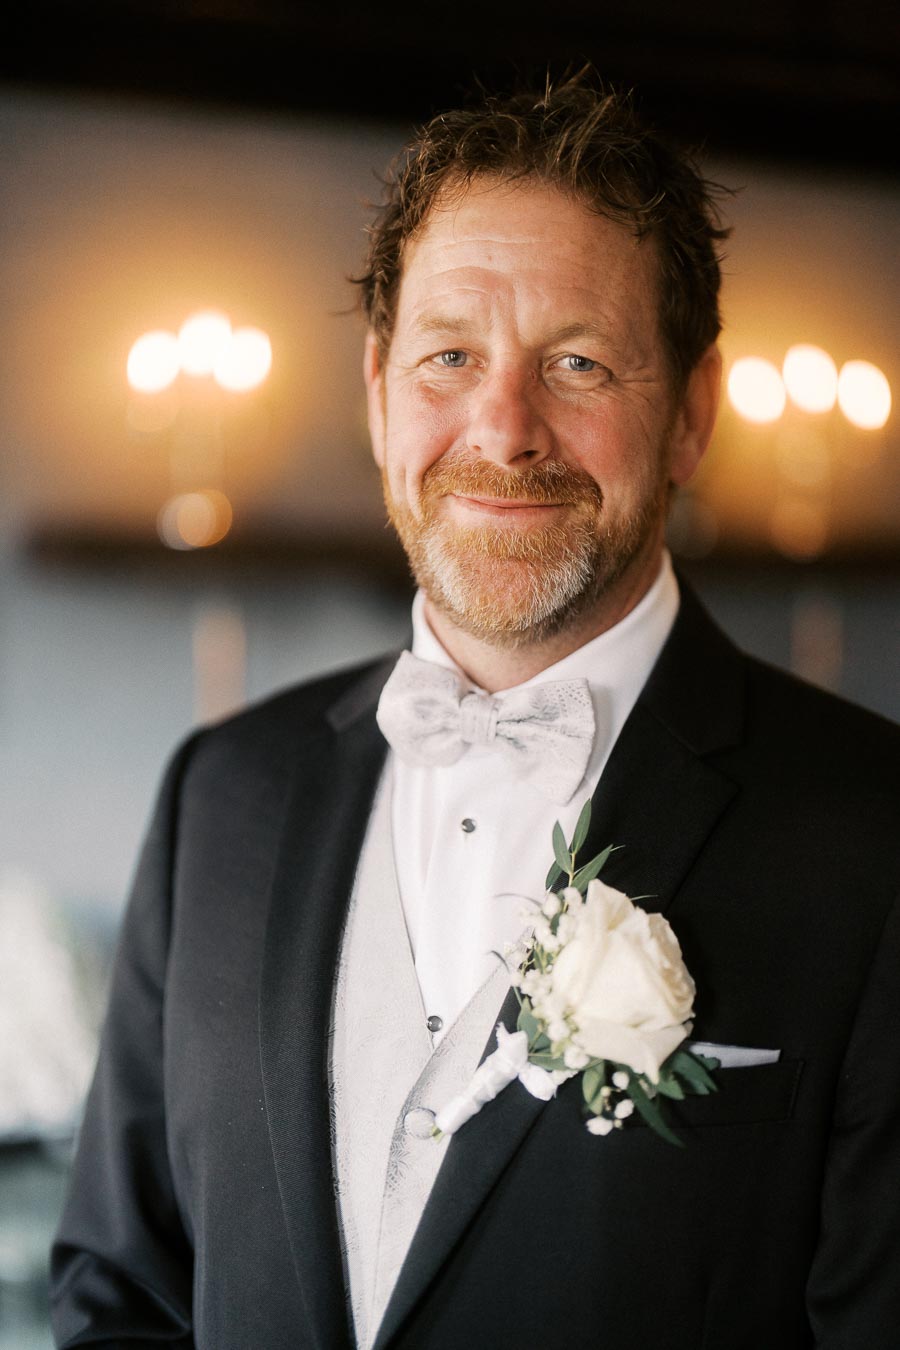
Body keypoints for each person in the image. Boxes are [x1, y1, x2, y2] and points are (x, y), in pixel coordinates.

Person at [51, 74, 900, 1349]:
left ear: (691, 414)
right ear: (381, 386)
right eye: (452, 356)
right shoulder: (219, 791)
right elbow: (122, 1291)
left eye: (578, 362)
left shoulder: (875, 833)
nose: (504, 430)